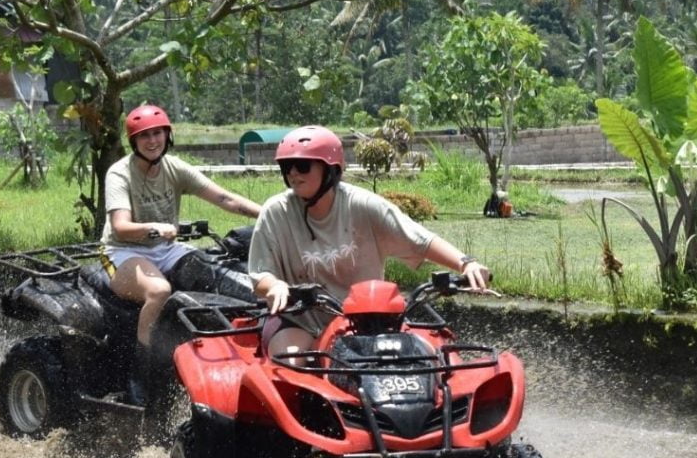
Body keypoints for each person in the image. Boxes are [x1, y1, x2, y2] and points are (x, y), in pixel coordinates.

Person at [248, 125, 491, 356]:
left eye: (302, 165)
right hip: (302, 320)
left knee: (426, 358)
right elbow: (260, 273)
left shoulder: (363, 204)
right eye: (287, 166)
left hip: (368, 320)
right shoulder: (275, 212)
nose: (292, 173)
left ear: (330, 169)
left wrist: (465, 263)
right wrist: (275, 286)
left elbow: (420, 239)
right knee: (292, 362)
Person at [101, 104, 261, 402]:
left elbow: (224, 197)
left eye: (158, 133)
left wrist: (268, 215)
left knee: (214, 271)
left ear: (167, 135)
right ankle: (141, 371)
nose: (152, 141)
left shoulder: (174, 168)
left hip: (166, 248)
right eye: (145, 135)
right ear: (134, 141)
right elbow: (121, 227)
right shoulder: (119, 174)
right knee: (159, 291)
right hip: (122, 252)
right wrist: (156, 228)